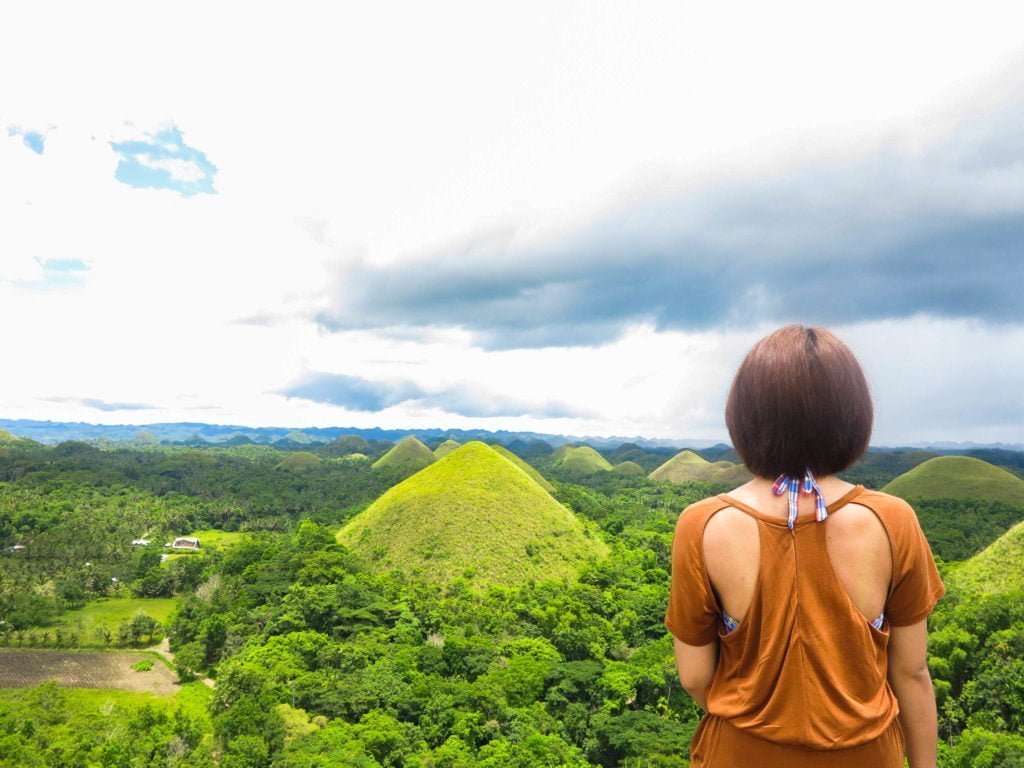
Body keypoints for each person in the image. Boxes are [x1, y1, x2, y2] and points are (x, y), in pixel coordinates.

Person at [664, 325, 945, 768]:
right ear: (853, 415)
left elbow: (695, 676)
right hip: (865, 756)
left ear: (744, 416)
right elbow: (910, 674)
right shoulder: (892, 520)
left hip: (741, 753)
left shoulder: (703, 524)